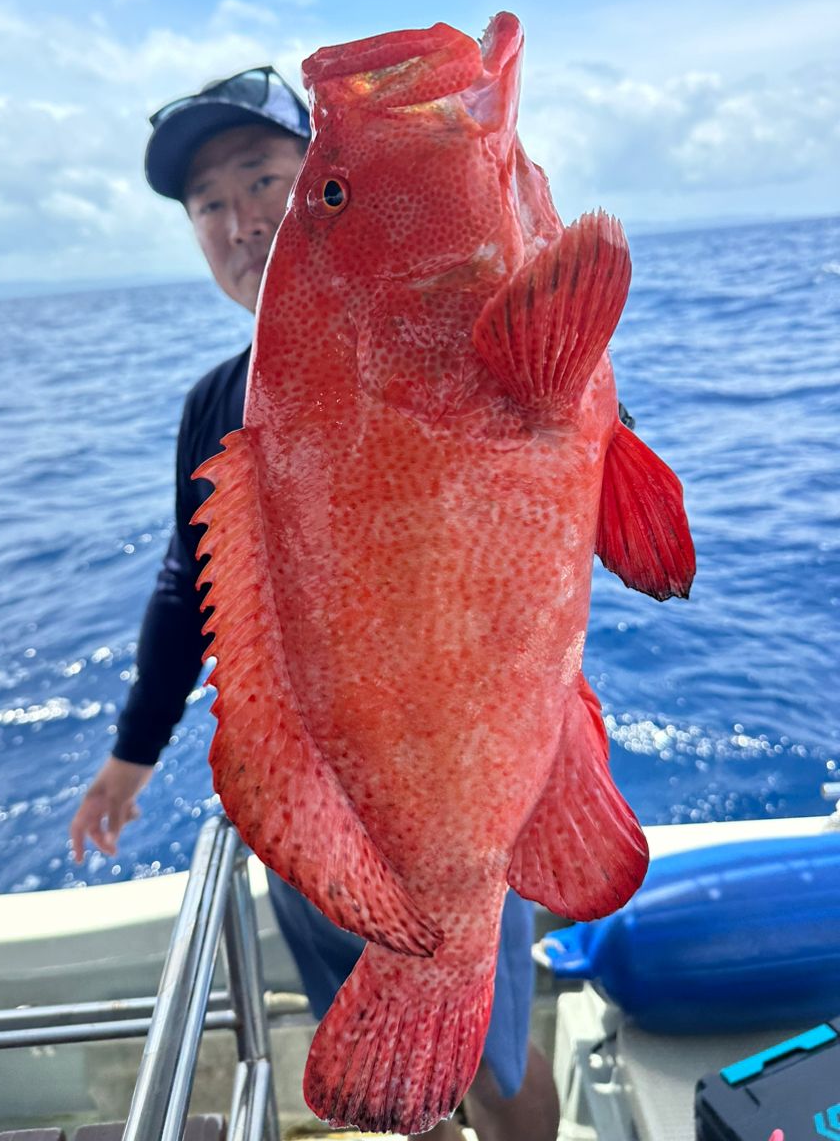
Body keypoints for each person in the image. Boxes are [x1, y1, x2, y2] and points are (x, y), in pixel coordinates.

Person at [70, 66, 561, 1141]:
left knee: (502, 1055)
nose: (241, 221)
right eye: (210, 203)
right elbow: (184, 585)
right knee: (399, 1078)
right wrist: (130, 753)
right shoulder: (216, 403)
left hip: (466, 784)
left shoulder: (460, 339)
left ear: (325, 193)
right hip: (319, 815)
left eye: (267, 181)